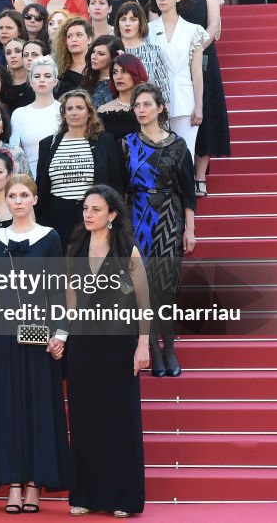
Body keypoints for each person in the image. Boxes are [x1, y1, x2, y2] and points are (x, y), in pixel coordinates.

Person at [0, 174, 69, 514]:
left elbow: (58, 288)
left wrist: (61, 334)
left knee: (39, 407)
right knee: (8, 408)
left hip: (39, 329)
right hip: (1, 333)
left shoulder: (50, 237)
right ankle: (13, 483)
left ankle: (34, 485)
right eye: (12, 195)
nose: (16, 200)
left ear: (35, 199)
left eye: (23, 195)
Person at [63, 185, 149, 517]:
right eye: (85, 208)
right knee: (84, 419)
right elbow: (70, 301)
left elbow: (144, 302)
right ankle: (84, 494)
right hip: (84, 345)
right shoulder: (74, 248)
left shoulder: (128, 251)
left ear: (112, 215)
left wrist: (143, 345)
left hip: (119, 344)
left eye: (96, 209)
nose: (88, 214)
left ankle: (122, 497)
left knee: (119, 420)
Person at [121, 83, 196, 377]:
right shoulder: (127, 143)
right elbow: (121, 187)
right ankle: (153, 350)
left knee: (166, 286)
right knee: (144, 286)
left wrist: (189, 229)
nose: (141, 110)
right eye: (137, 105)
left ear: (160, 108)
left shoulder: (178, 145)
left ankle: (170, 350)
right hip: (138, 215)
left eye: (146, 104)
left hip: (169, 215)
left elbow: (188, 190)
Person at [165, 0, 230, 195]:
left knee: (205, 111)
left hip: (202, 56)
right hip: (172, 60)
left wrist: (193, 50)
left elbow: (214, 25)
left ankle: (200, 175)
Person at [36, 90, 120, 252]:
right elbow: (41, 185)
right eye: (69, 108)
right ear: (64, 113)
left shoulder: (105, 141)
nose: (74, 112)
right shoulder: (48, 144)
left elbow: (116, 183)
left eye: (80, 108)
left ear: (89, 112)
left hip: (92, 214)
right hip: (57, 215)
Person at [147, 0, 205, 153]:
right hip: (155, 100)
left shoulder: (193, 30)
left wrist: (199, 106)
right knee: (159, 155)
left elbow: (196, 72)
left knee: (186, 153)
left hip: (185, 97)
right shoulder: (147, 30)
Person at [10, 57, 60, 177]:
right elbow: (15, 155)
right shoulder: (19, 114)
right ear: (31, 82)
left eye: (47, 76)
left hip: (61, 181)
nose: (42, 80)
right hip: (30, 182)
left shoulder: (64, 110)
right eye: (37, 76)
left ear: (55, 81)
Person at [113, 1, 170, 104]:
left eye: (133, 19)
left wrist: (163, 117)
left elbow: (164, 91)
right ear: (118, 23)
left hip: (148, 113)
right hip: (116, 113)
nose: (127, 24)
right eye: (123, 19)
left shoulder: (154, 52)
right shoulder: (111, 52)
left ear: (141, 23)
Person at [97, 52, 147, 144]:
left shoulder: (150, 107)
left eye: (124, 71)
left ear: (136, 74)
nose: (118, 77)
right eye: (115, 72)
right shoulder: (104, 110)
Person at [81, 34, 124, 108]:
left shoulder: (121, 83)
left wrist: (124, 62)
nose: (94, 57)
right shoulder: (87, 81)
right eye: (93, 52)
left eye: (101, 54)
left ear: (114, 57)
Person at [53, 16, 93, 95]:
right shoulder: (59, 73)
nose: (74, 39)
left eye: (79, 35)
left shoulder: (98, 68)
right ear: (65, 41)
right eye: (69, 36)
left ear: (89, 39)